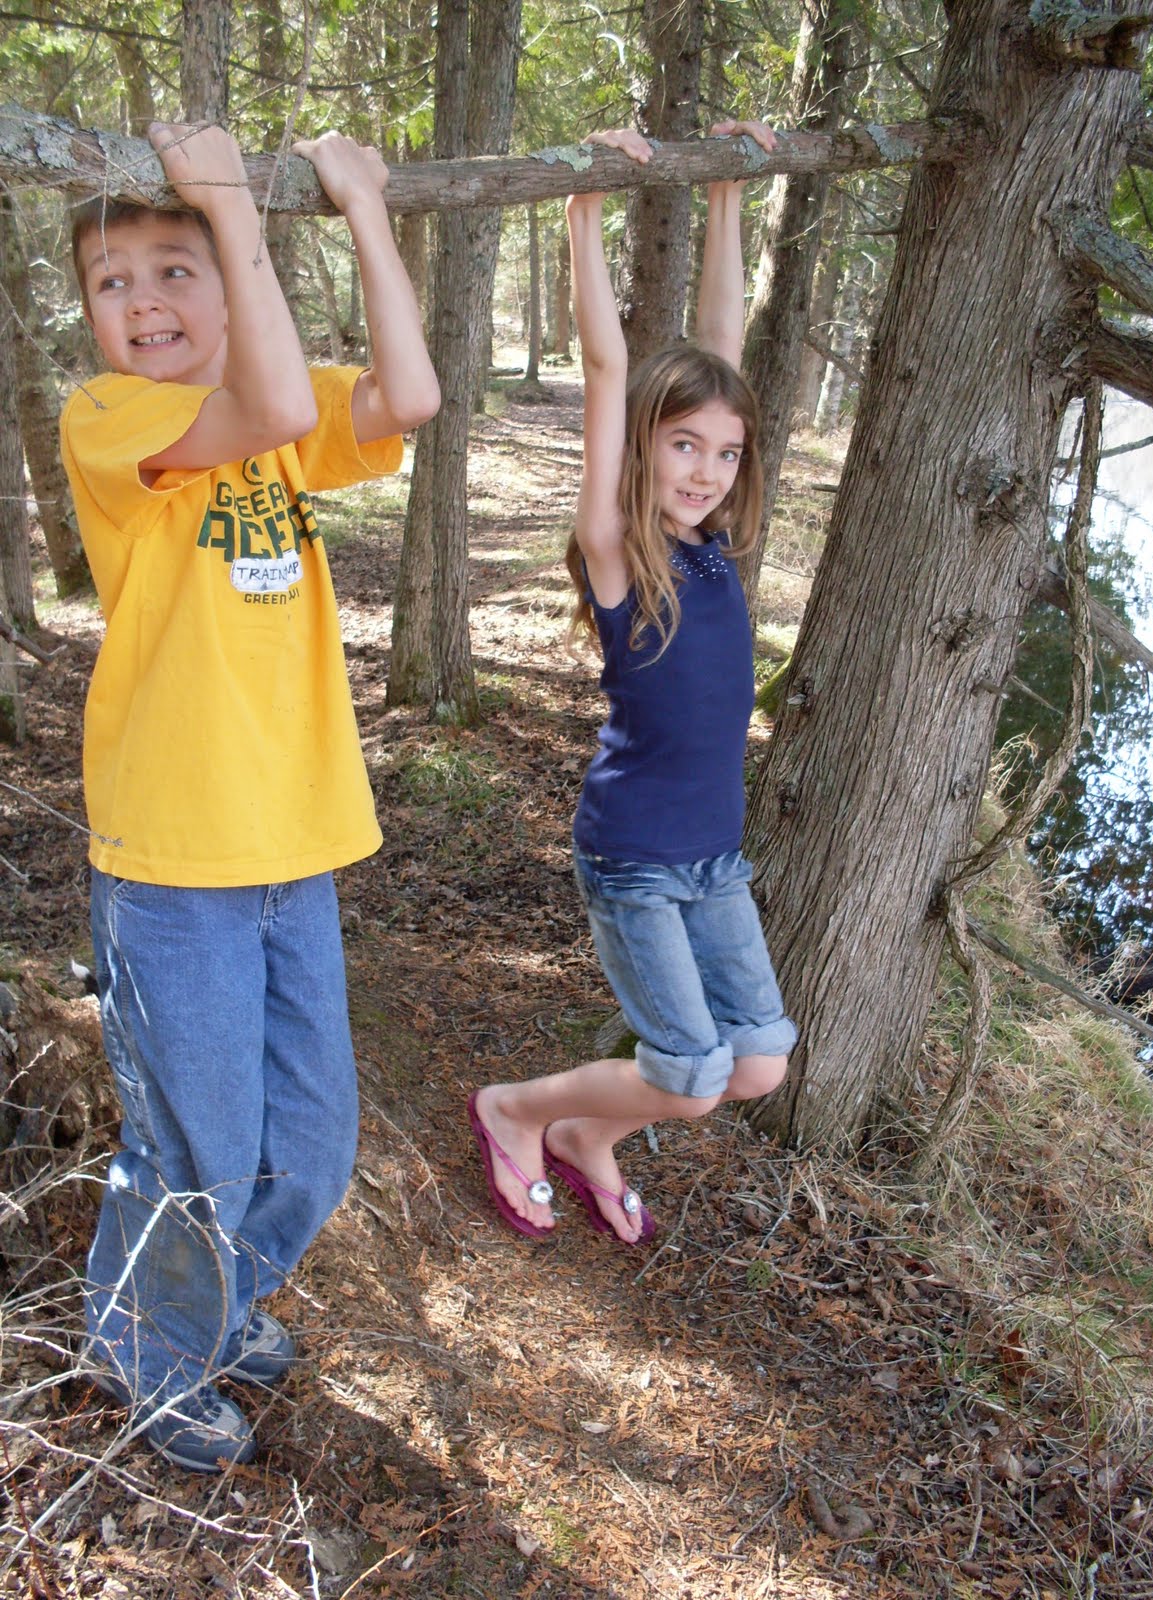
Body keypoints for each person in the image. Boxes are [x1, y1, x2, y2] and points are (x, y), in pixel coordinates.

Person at [60, 121, 439, 1471]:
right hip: (171, 865)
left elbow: (409, 394)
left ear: (233, 290)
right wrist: (229, 205)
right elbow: (266, 408)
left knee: (314, 1147)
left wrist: (366, 206)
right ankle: (147, 1347)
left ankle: (210, 1305)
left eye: (177, 268)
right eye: (113, 281)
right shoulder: (114, 418)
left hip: (290, 848)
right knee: (198, 1147)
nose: (144, 301)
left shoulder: (280, 412)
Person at [469, 122, 797, 1246]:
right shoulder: (620, 552)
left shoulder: (719, 545)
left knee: (758, 1062)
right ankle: (519, 1111)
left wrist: (726, 196)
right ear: (644, 447)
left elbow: (722, 342)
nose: (706, 471)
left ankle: (585, 1137)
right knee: (691, 1076)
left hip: (715, 859)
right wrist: (584, 207)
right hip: (636, 858)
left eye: (726, 451)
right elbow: (611, 368)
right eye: (682, 446)